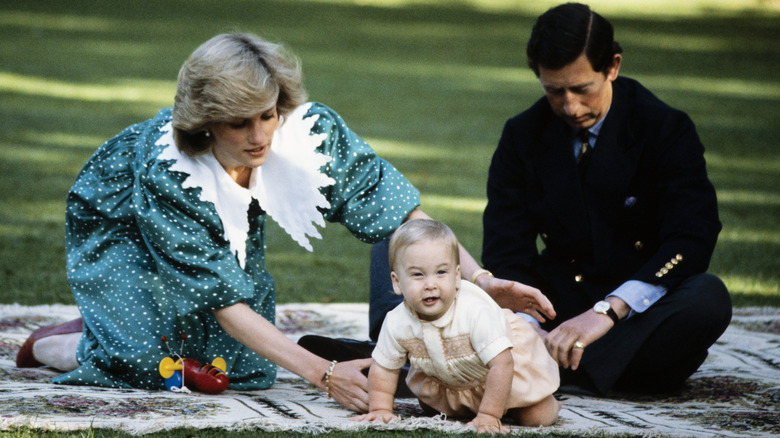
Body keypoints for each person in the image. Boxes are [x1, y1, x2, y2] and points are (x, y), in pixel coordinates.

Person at [15, 33, 554, 413]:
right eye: (239, 122)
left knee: (244, 370)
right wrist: (324, 374)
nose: (259, 136)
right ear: (205, 124)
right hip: (120, 221)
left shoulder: (307, 133)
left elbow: (401, 214)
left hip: (211, 213)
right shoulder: (167, 174)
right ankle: (63, 342)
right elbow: (223, 300)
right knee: (146, 364)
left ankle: (111, 331)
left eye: (268, 114)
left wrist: (480, 279)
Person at [478, 2, 732, 395]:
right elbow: (506, 245)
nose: (569, 107)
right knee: (426, 260)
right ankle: (569, 366)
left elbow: (691, 237)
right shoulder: (522, 134)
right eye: (553, 91)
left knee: (708, 297)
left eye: (582, 89)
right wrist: (528, 329)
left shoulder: (664, 128)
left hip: (634, 313)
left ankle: (549, 372)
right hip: (553, 311)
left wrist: (607, 312)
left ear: (612, 66)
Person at [352, 220, 559, 433]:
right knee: (429, 406)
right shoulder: (397, 321)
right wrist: (380, 408)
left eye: (441, 272)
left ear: (457, 276)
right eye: (417, 275)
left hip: (501, 374)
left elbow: (503, 365)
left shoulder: (474, 313)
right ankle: (469, 406)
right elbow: (384, 368)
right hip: (450, 379)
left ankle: (541, 404)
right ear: (396, 282)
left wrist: (489, 416)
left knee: (536, 417)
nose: (430, 284)